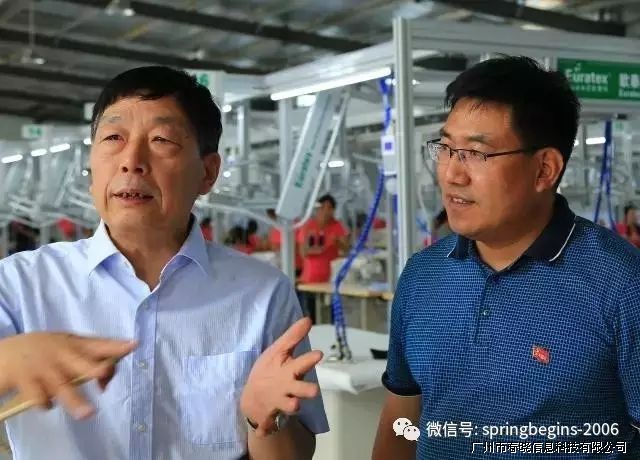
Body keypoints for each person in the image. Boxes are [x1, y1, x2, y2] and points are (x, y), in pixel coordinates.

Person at [0, 66, 328, 460]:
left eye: (161, 140)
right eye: (113, 138)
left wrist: (265, 421)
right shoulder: (19, 284)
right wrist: (9, 359)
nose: (131, 161)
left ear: (208, 173)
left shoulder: (262, 293)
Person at [373, 56, 640, 459]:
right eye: (446, 148)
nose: (451, 174)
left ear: (544, 169)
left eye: (476, 153)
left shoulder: (621, 284)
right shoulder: (422, 276)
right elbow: (402, 418)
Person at [297, 194, 349, 284]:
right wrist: (317, 250)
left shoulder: (338, 226)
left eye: (329, 208)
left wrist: (337, 242)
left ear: (333, 210)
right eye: (322, 208)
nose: (325, 211)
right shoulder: (307, 226)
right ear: (317, 209)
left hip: (331, 277)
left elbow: (346, 250)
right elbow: (302, 252)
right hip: (310, 277)